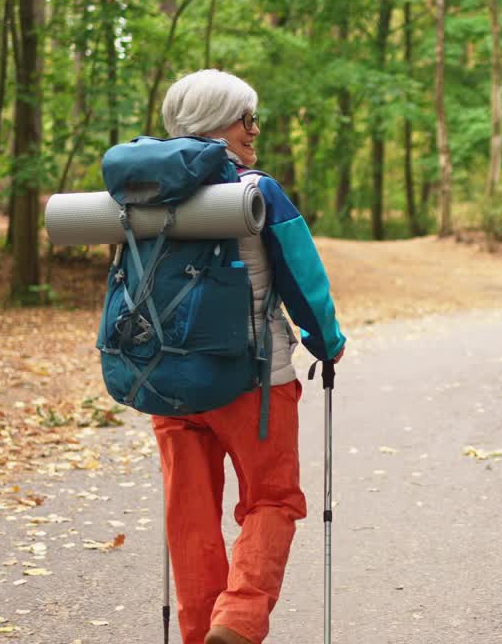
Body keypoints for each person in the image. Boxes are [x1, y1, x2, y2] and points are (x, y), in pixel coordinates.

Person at [155, 69, 346, 644]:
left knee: (189, 515)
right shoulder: (257, 190)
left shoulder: (144, 191)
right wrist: (327, 344)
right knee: (272, 499)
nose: (254, 131)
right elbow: (302, 279)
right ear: (218, 122)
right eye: (247, 118)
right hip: (254, 380)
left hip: (167, 381)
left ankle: (200, 632)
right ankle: (237, 620)